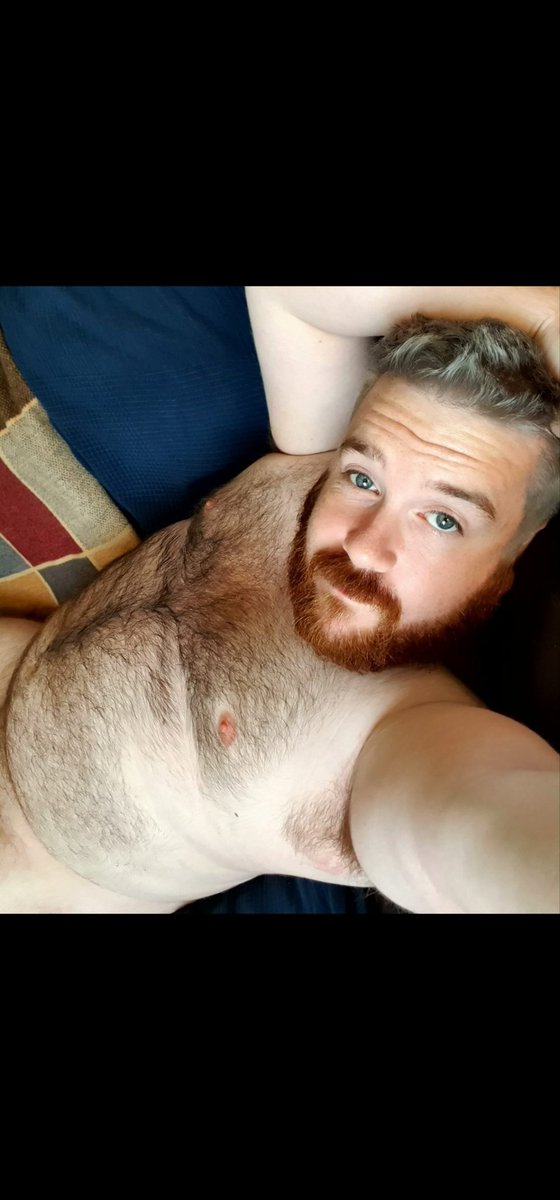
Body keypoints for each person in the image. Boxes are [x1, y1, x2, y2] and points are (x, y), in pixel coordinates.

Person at [1, 286, 558, 914]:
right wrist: (546, 319)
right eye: (364, 478)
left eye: (444, 519)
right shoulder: (312, 465)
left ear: (515, 554)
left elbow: (493, 835)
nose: (363, 546)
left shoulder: (411, 735)